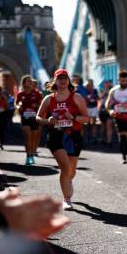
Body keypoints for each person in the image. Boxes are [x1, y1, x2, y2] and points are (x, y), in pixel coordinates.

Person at [36, 69, 89, 210]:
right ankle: (66, 199)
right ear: (55, 81)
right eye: (60, 78)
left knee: (71, 170)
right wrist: (48, 120)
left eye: (65, 78)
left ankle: (68, 181)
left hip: (73, 136)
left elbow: (87, 118)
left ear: (69, 81)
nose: (63, 80)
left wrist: (74, 118)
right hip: (56, 136)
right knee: (65, 168)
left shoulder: (77, 97)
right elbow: (38, 117)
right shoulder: (49, 99)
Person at [106, 70, 127, 163]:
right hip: (118, 117)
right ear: (118, 80)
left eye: (125, 81)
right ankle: (124, 155)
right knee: (122, 135)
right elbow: (107, 104)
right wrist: (110, 111)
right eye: (122, 81)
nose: (124, 83)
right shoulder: (113, 90)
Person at [15, 75, 43, 164]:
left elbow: (42, 105)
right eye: (28, 81)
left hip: (34, 118)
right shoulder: (20, 94)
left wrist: (37, 106)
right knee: (27, 135)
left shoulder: (37, 94)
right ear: (24, 83)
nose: (30, 82)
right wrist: (19, 106)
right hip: (25, 118)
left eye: (31, 81)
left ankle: (32, 152)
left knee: (33, 137)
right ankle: (29, 156)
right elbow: (16, 104)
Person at [83, 79, 100, 143]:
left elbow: (98, 98)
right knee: (86, 123)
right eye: (89, 84)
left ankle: (94, 137)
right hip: (87, 107)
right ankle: (87, 137)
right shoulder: (85, 90)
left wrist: (94, 98)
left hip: (94, 107)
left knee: (93, 123)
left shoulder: (95, 90)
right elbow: (84, 98)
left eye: (91, 83)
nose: (90, 85)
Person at [98, 79, 114, 147]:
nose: (107, 84)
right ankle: (103, 139)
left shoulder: (113, 91)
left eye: (108, 83)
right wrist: (105, 90)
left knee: (109, 126)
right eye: (106, 83)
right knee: (103, 127)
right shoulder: (101, 90)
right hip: (102, 110)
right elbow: (100, 97)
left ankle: (109, 141)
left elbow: (115, 99)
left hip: (109, 110)